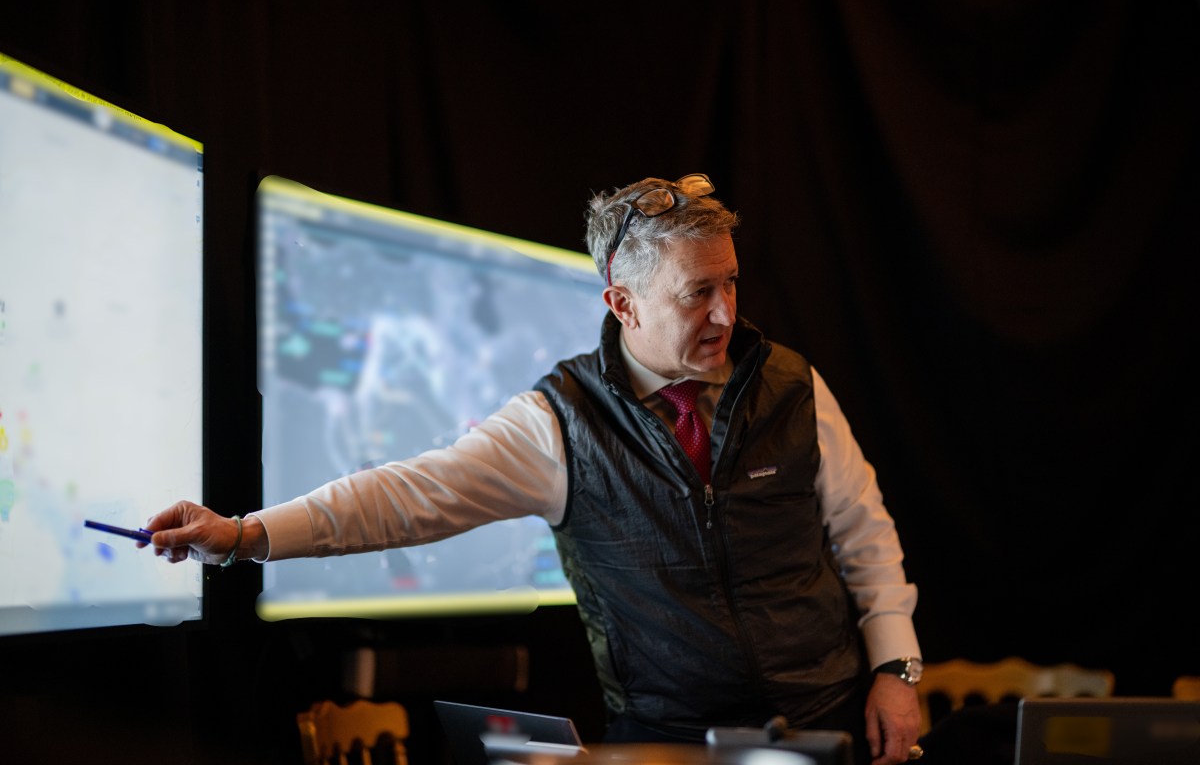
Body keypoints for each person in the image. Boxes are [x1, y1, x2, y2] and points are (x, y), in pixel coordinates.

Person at [145, 174, 924, 765]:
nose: (726, 313)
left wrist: (896, 667)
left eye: (730, 283)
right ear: (623, 304)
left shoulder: (792, 381)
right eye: (698, 294)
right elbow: (410, 494)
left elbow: (863, 531)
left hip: (830, 721)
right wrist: (247, 534)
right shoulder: (560, 421)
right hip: (670, 746)